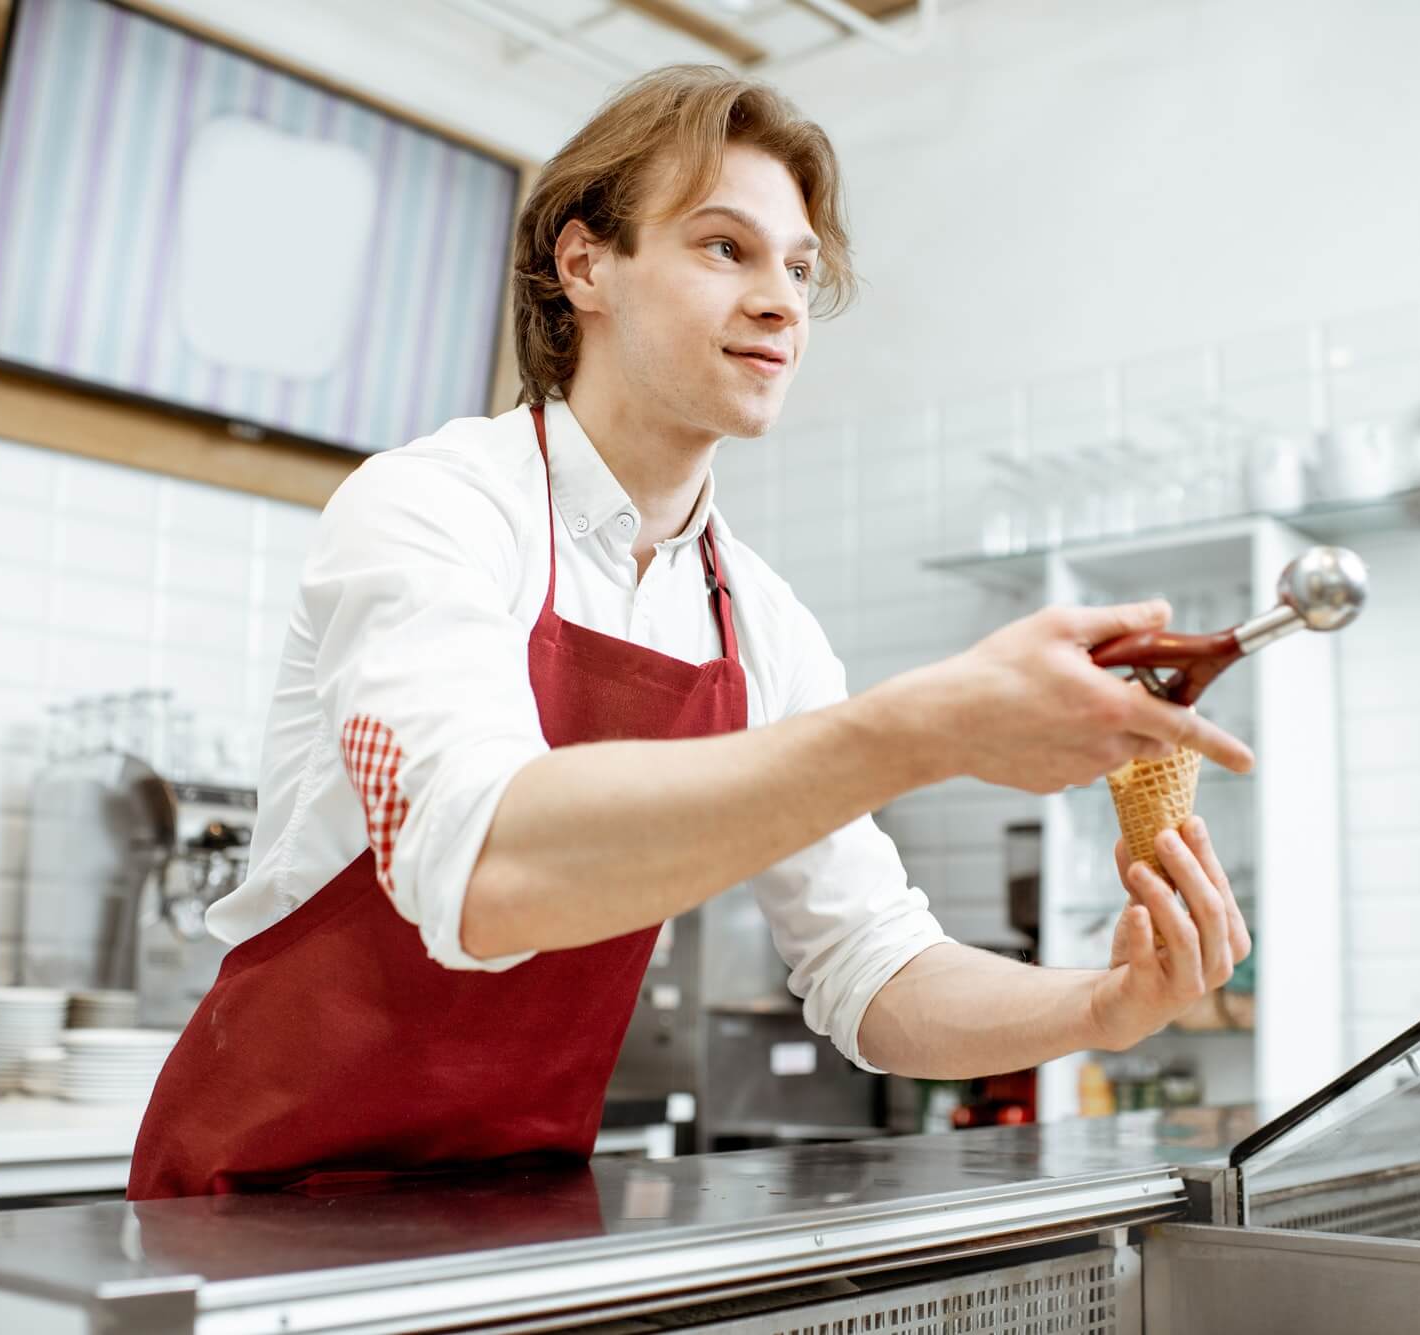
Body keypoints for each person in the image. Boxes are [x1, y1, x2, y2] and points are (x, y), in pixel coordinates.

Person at [128, 65, 1252, 1201]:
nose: (780, 302)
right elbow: (483, 876)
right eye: (726, 248)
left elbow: (870, 969)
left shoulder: (759, 622)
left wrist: (1096, 1007)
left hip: (508, 1216)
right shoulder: (431, 508)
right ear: (584, 265)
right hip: (250, 1209)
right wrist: (923, 728)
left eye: (799, 268)